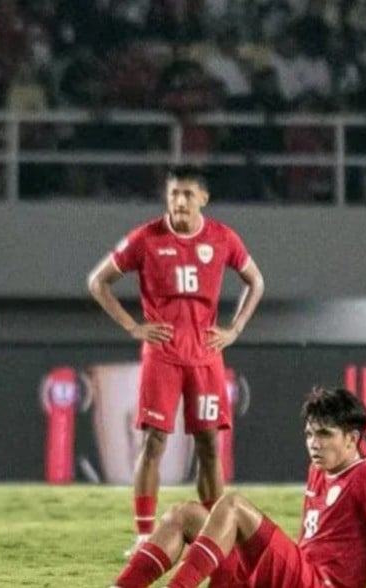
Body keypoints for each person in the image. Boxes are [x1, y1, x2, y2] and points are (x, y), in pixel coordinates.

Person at [88, 165, 265, 554]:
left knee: (208, 446)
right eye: (173, 194)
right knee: (153, 442)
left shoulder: (222, 238)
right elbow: (97, 281)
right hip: (162, 356)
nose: (180, 201)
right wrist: (132, 326)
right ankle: (142, 537)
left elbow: (257, 281)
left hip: (205, 358)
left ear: (203, 198)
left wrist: (234, 330)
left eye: (187, 194)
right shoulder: (146, 238)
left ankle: (214, 535)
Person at [110, 386, 366, 588]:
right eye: (309, 434)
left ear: (352, 437)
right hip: (294, 577)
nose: (313, 444)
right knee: (184, 513)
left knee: (232, 506)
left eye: (324, 434)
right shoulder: (319, 469)